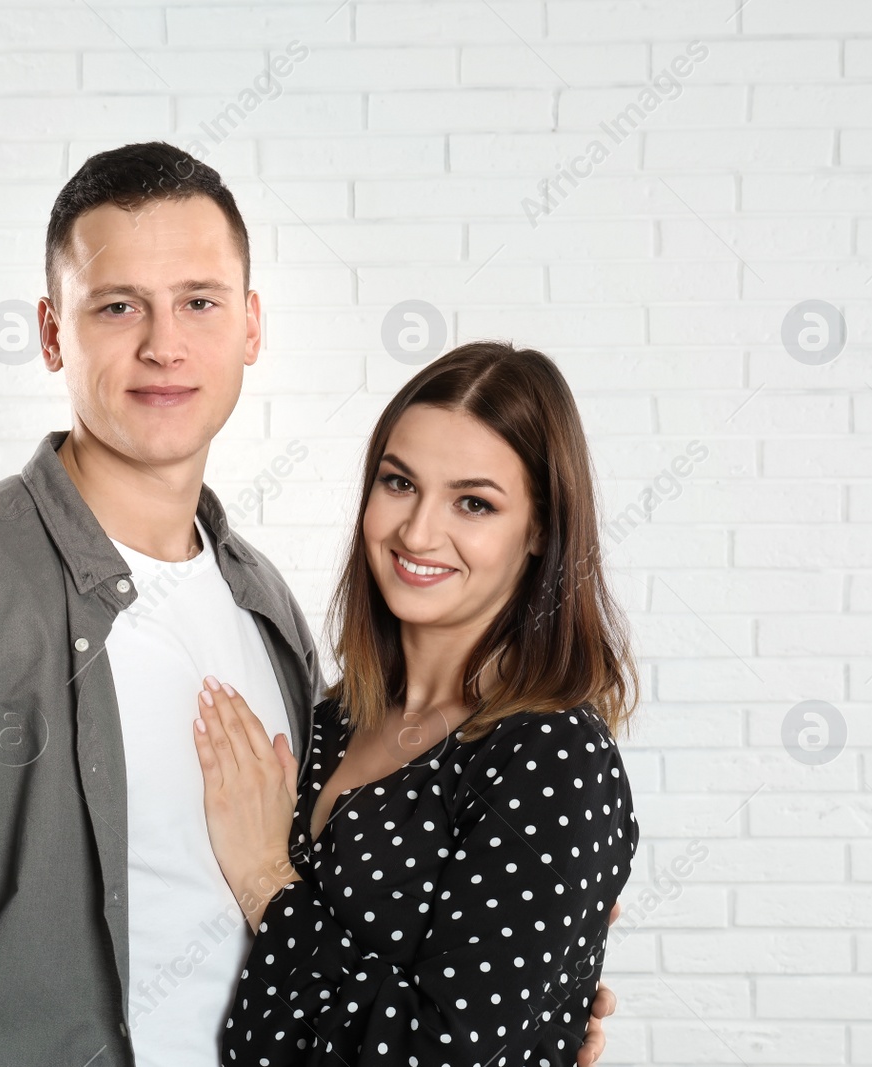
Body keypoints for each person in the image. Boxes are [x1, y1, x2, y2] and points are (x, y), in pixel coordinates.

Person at [0, 143, 620, 1066]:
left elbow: (344, 922)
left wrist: (531, 1012)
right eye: (118, 304)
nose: (163, 344)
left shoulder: (268, 617)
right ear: (54, 332)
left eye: (199, 302)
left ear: (250, 327)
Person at [192, 341, 640, 1066]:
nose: (418, 532)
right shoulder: (329, 722)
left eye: (474, 502)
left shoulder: (552, 754)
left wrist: (265, 882)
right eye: (399, 483)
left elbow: (437, 1053)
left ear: (538, 531)